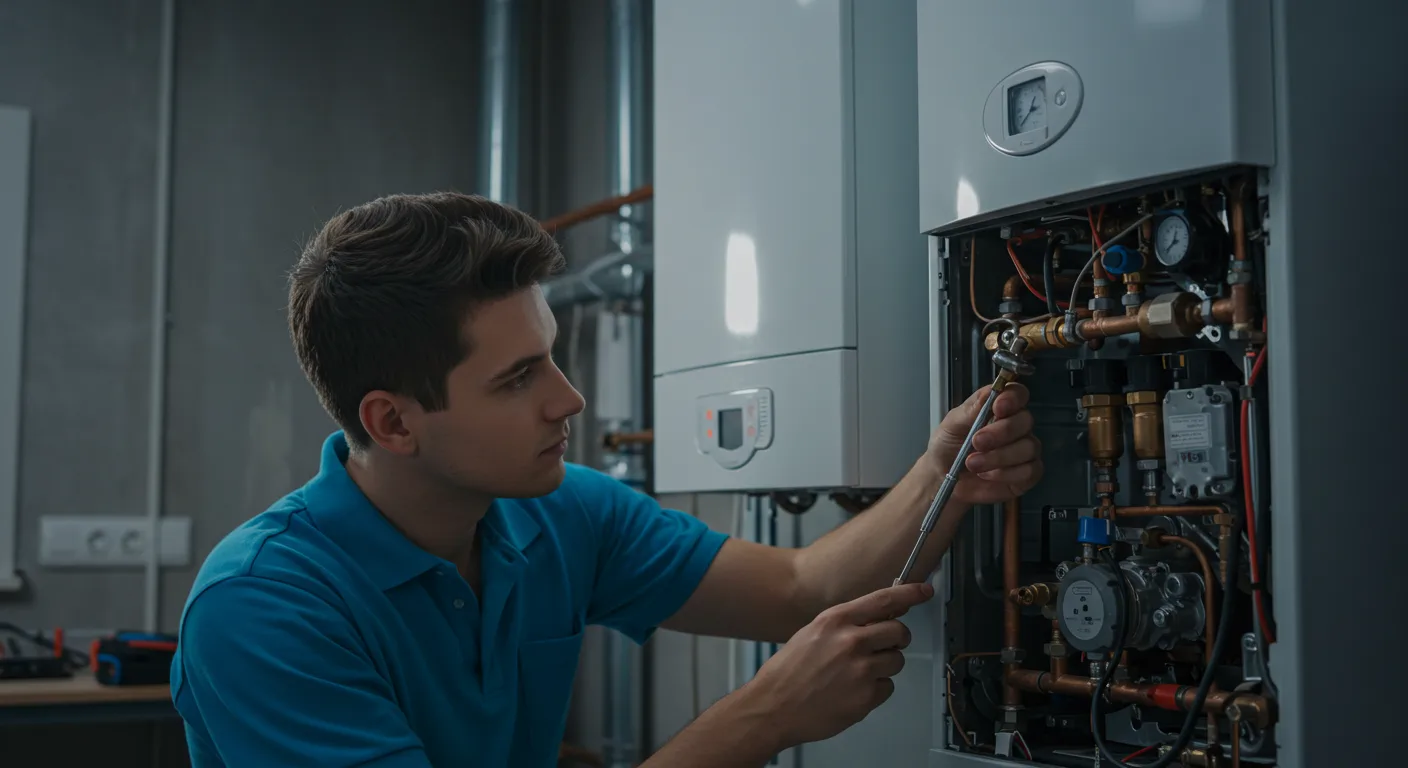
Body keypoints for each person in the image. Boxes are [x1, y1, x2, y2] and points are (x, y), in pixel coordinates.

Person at [170, 192, 1041, 768]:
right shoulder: (263, 609)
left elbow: (796, 589)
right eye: (517, 380)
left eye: (552, 357)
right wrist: (764, 717)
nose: (570, 400)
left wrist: (945, 473)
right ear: (392, 422)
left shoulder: (560, 513)